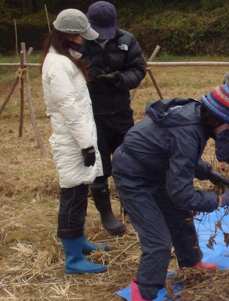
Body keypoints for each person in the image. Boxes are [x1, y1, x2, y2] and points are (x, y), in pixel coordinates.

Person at [112, 84, 229, 301]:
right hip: (134, 177)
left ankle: (191, 263)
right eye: (228, 123)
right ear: (216, 116)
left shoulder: (195, 115)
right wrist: (220, 200)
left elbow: (179, 156)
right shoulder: (188, 130)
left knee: (181, 217)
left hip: (155, 168)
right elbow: (181, 194)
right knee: (158, 243)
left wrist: (208, 173)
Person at [41, 9, 107, 274]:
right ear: (68, 35)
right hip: (71, 141)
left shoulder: (66, 59)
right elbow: (68, 107)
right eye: (81, 35)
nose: (84, 40)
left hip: (79, 137)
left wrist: (87, 141)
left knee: (80, 192)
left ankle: (78, 241)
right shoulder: (57, 65)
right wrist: (85, 144)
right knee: (72, 194)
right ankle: (73, 259)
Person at [81, 1, 146, 235]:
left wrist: (120, 79)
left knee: (128, 161)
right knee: (100, 165)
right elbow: (72, 72)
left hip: (121, 111)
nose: (100, 37)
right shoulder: (80, 42)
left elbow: (138, 69)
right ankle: (107, 214)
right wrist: (91, 77)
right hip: (93, 114)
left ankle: (131, 206)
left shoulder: (126, 40)